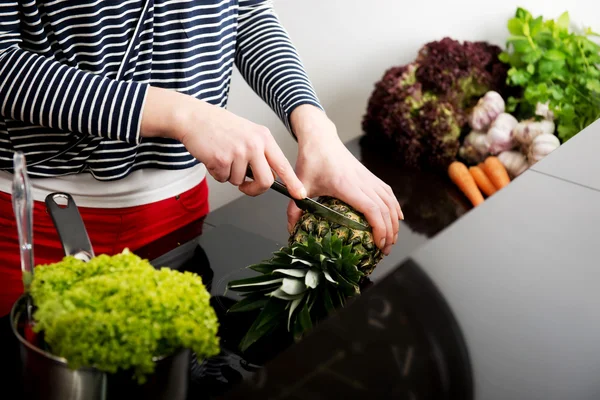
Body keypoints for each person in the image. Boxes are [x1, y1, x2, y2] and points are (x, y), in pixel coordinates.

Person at [0, 0, 402, 318]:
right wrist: (183, 115)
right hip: (36, 221)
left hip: (182, 216)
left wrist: (314, 125)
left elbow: (246, 12)